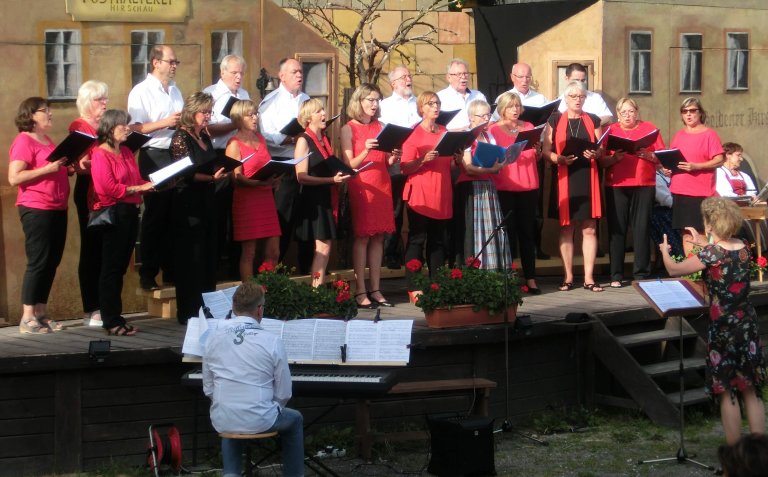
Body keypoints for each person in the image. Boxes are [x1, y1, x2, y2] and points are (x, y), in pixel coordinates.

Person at [658, 197, 766, 445]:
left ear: (710, 223)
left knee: (727, 389)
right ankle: (759, 454)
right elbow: (720, 253)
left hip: (724, 326)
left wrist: (665, 252)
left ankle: (735, 455)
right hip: (746, 323)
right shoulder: (743, 247)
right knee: (750, 387)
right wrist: (702, 242)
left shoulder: (712, 252)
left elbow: (675, 270)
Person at [202, 282, 304, 477]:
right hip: (261, 419)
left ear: (233, 308)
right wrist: (263, 409)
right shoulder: (272, 341)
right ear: (259, 310)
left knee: (230, 414)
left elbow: (208, 389)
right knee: (295, 419)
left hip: (223, 418)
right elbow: (284, 393)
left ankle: (230, 474)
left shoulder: (212, 338)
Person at [90, 110, 155, 336]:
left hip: (130, 212)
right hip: (114, 214)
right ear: (109, 129)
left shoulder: (126, 151)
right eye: (122, 126)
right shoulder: (100, 154)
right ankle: (111, 320)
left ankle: (116, 317)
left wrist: (154, 182)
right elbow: (107, 189)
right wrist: (139, 188)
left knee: (119, 269)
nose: (128, 129)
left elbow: (136, 180)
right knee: (111, 268)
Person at [8, 97, 69, 334]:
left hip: (57, 207)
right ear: (31, 115)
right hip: (36, 208)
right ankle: (27, 316)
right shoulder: (24, 140)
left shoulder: (46, 139)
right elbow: (15, 177)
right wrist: (48, 169)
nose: (50, 114)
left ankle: (42, 313)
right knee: (38, 261)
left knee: (51, 261)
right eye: (45, 111)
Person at [127, 45, 183, 291]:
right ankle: (148, 272)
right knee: (156, 213)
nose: (173, 66)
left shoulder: (175, 90)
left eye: (175, 62)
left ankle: (172, 270)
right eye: (170, 61)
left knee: (175, 213)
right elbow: (135, 128)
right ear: (155, 62)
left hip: (176, 152)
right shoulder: (141, 91)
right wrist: (165, 122)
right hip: (153, 153)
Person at [169, 92, 227, 324]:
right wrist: (212, 177)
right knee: (191, 258)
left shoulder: (204, 134)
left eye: (210, 112)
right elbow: (185, 173)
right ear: (192, 113)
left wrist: (219, 172)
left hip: (207, 200)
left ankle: (206, 308)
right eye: (205, 112)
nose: (208, 116)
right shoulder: (180, 138)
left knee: (208, 255)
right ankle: (189, 312)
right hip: (187, 204)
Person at [542, 81, 604, 292]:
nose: (578, 99)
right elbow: (546, 150)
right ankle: (568, 276)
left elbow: (601, 147)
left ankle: (588, 277)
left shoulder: (593, 119)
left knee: (589, 228)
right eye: (573, 96)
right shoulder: (555, 119)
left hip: (588, 175)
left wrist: (595, 153)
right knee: (567, 228)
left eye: (581, 96)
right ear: (566, 99)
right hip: (564, 175)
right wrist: (558, 158)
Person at [341, 84, 398, 308]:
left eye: (377, 100)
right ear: (359, 101)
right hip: (362, 184)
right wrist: (365, 149)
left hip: (382, 183)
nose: (374, 104)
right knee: (363, 236)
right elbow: (349, 164)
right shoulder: (349, 128)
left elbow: (385, 161)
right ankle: (360, 290)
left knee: (379, 236)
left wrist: (394, 157)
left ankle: (376, 288)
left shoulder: (381, 126)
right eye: (370, 100)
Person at [600, 98, 665, 288]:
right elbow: (601, 161)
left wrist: (650, 156)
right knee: (617, 229)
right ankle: (616, 275)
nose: (627, 116)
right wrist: (614, 158)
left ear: (637, 112)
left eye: (631, 112)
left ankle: (642, 273)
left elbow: (661, 158)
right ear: (617, 114)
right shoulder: (609, 130)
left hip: (644, 183)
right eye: (623, 112)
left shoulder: (649, 128)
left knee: (641, 227)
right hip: (616, 184)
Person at [258, 58, 313, 273]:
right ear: (282, 76)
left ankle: (307, 270)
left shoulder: (307, 99)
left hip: (305, 162)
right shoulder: (271, 101)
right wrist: (291, 139)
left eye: (301, 71)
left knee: (306, 217)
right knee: (283, 218)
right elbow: (266, 134)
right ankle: (274, 271)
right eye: (294, 72)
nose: (299, 75)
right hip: (284, 163)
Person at [204, 54, 251, 281]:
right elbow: (208, 129)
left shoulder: (244, 95)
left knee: (239, 210)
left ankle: (235, 266)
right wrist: (234, 123)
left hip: (241, 152)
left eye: (241, 72)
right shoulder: (211, 94)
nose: (238, 77)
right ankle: (213, 267)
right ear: (222, 72)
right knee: (218, 212)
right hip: (218, 154)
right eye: (234, 73)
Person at [294, 98, 351, 287]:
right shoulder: (304, 139)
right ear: (309, 117)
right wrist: (330, 180)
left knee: (326, 246)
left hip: (326, 196)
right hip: (313, 199)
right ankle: (316, 291)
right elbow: (301, 176)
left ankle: (317, 289)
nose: (324, 114)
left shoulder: (324, 138)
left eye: (323, 110)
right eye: (319, 111)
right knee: (322, 246)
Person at [401, 91, 455, 286]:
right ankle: (414, 286)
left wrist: (456, 159)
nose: (436, 107)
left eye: (438, 103)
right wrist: (422, 160)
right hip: (421, 193)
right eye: (431, 103)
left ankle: (437, 283)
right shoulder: (413, 133)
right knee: (417, 239)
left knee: (438, 240)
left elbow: (449, 165)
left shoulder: (444, 131)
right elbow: (405, 167)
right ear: (421, 108)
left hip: (442, 191)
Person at [489, 92, 540, 292]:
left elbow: (535, 155)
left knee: (528, 233)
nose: (515, 110)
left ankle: (531, 278)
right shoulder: (493, 129)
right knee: (507, 234)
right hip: (505, 185)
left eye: (518, 106)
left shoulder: (528, 127)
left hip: (528, 184)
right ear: (502, 109)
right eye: (511, 106)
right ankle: (509, 278)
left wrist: (536, 149)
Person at [226, 100, 281, 281]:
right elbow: (236, 176)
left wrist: (275, 178)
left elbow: (269, 164)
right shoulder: (234, 143)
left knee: (274, 250)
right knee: (249, 251)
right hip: (247, 199)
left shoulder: (261, 139)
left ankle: (268, 291)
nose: (255, 117)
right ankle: (249, 295)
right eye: (250, 114)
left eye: (255, 113)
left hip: (265, 197)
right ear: (239, 118)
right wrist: (255, 183)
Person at [69, 80, 109, 327]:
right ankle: (90, 307)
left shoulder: (105, 126)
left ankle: (105, 305)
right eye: (99, 99)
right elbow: (81, 165)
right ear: (87, 103)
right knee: (91, 248)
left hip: (107, 190)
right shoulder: (80, 126)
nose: (105, 103)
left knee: (107, 250)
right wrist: (108, 163)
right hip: (89, 191)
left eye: (106, 99)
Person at [454, 99, 510, 271]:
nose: (486, 119)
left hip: (487, 185)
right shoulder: (466, 136)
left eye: (488, 115)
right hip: (471, 188)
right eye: (482, 116)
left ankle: (491, 268)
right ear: (471, 117)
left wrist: (500, 163)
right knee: (474, 229)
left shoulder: (488, 136)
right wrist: (491, 169)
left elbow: (495, 158)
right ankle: (472, 270)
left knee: (490, 228)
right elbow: (468, 167)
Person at [667, 97, 724, 255]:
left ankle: (703, 270)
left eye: (692, 111)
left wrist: (696, 166)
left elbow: (719, 160)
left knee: (700, 232)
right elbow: (674, 158)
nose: (689, 114)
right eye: (685, 111)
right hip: (681, 190)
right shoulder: (679, 135)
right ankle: (691, 272)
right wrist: (669, 168)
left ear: (700, 113)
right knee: (686, 232)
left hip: (701, 191)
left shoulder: (709, 134)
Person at [379, 65, 419, 269]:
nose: (408, 79)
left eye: (409, 75)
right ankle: (391, 253)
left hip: (418, 160)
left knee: (417, 207)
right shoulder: (384, 105)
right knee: (395, 208)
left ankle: (414, 254)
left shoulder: (420, 103)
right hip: (396, 159)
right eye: (403, 77)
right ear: (393, 83)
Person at [436, 59, 487, 131]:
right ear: (448, 77)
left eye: (465, 73)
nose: (463, 77)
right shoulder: (439, 98)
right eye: (459, 74)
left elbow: (489, 119)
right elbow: (434, 127)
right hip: (453, 139)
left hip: (477, 139)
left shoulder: (478, 96)